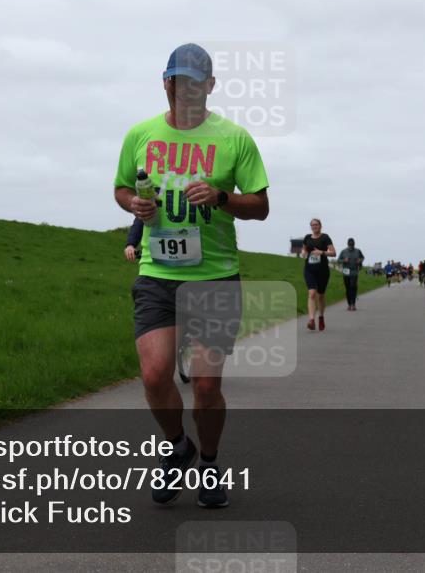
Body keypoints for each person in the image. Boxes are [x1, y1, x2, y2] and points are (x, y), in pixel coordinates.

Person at [113, 43, 269, 509]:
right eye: (176, 82)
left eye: (195, 84)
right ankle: (178, 446)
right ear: (165, 82)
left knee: (205, 384)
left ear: (210, 86)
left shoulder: (234, 139)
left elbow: (260, 206)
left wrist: (222, 197)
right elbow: (121, 187)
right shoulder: (140, 134)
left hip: (215, 276)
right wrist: (133, 205)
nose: (184, 92)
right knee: (155, 374)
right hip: (158, 272)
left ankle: (209, 462)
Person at [301, 219, 335, 329]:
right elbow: (304, 249)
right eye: (312, 225)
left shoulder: (325, 237)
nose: (314, 226)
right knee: (311, 293)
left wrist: (322, 252)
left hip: (323, 270)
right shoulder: (307, 238)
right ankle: (311, 320)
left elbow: (334, 252)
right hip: (309, 269)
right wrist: (304, 253)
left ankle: (321, 317)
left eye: (316, 224)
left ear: (320, 226)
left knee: (320, 295)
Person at [337, 238, 364, 311]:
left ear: (354, 244)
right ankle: (349, 304)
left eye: (352, 245)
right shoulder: (343, 251)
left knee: (353, 287)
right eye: (350, 245)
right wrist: (344, 260)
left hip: (354, 272)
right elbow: (338, 260)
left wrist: (360, 260)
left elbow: (362, 257)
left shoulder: (358, 251)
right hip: (346, 272)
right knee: (348, 288)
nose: (351, 247)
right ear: (348, 244)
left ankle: (353, 304)